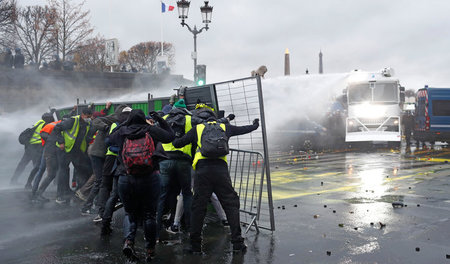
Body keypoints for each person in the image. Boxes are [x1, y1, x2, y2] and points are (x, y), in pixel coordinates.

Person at [172, 107, 259, 254]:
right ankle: (238, 243)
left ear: (200, 118)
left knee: (198, 208)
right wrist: (255, 125)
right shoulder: (225, 127)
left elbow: (178, 143)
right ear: (214, 117)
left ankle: (195, 246)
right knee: (231, 205)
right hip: (221, 171)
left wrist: (174, 135)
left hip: (202, 171)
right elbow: (244, 129)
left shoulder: (197, 129)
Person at [109, 109, 174, 262]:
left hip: (126, 178)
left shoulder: (122, 132)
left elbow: (109, 140)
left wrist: (124, 123)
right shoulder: (150, 130)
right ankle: (150, 250)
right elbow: (170, 136)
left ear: (130, 119)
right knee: (149, 215)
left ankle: (129, 241)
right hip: (150, 178)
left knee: (129, 214)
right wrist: (159, 118)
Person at [157, 99, 193, 237]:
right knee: (186, 193)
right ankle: (188, 227)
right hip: (183, 161)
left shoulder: (164, 118)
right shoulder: (190, 119)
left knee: (164, 193)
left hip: (165, 160)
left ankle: (158, 225)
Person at [52, 108, 94, 204]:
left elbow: (85, 138)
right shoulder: (72, 121)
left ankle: (78, 192)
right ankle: (60, 195)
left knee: (81, 169)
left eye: (90, 117)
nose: (89, 118)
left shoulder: (86, 124)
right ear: (83, 114)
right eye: (88, 116)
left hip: (76, 151)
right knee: (63, 171)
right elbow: (57, 128)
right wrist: (61, 142)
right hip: (64, 149)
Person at [10, 113, 55, 187]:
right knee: (36, 166)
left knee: (22, 164)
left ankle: (13, 180)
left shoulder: (39, 122)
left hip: (30, 146)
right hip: (37, 147)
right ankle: (30, 184)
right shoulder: (46, 125)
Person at [30, 118, 62, 201]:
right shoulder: (56, 126)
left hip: (46, 149)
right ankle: (36, 193)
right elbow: (44, 135)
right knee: (46, 172)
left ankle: (35, 192)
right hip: (48, 150)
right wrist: (55, 141)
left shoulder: (54, 124)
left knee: (41, 170)